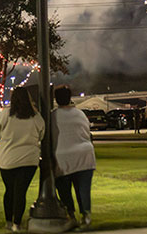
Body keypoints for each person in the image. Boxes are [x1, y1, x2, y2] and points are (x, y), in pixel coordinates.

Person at [0, 87, 44, 232]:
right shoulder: (35, 116)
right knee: (21, 192)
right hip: (29, 160)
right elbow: (42, 134)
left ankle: (8, 221)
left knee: (9, 190)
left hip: (8, 159)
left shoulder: (5, 115)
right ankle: (17, 224)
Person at [51, 85, 96, 228]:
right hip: (85, 156)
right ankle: (86, 216)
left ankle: (71, 215)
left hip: (63, 157)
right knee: (83, 189)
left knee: (64, 188)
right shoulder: (80, 113)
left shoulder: (53, 116)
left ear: (56, 99)